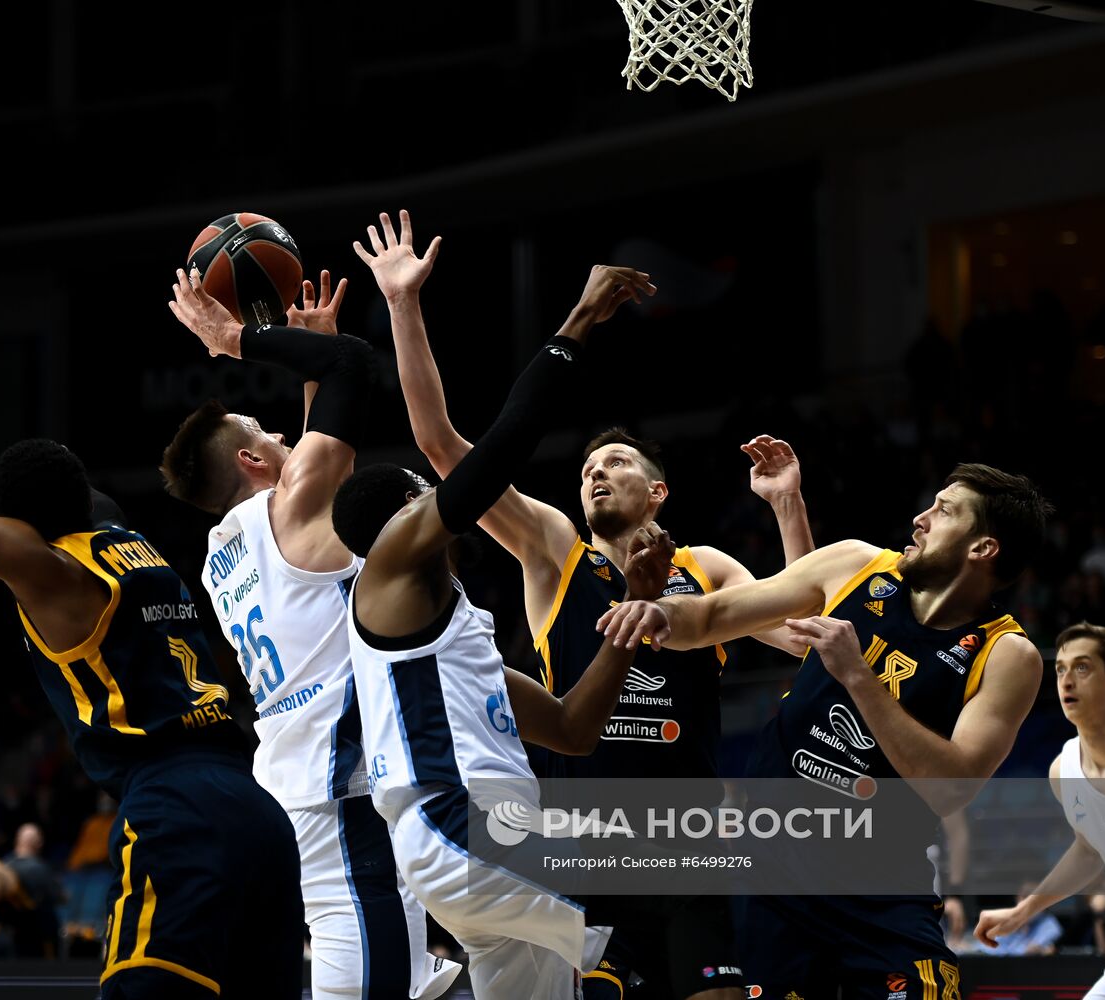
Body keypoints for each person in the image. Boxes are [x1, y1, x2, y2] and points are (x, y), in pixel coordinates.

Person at [354, 209, 815, 1000]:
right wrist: (404, 305)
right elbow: (441, 444)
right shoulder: (554, 552)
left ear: (657, 490)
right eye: (588, 467)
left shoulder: (703, 569)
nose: (596, 473)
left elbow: (811, 632)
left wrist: (786, 505)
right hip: (584, 845)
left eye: (617, 463)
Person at [0, 241, 303, 999]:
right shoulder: (129, 540)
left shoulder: (52, 572)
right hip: (258, 809)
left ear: (18, 529)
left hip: (175, 806)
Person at [331, 261, 670, 1000]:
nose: (442, 503)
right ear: (402, 520)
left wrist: (630, 620)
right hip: (462, 832)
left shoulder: (453, 644)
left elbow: (574, 729)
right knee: (636, 937)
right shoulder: (387, 568)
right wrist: (577, 321)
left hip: (475, 848)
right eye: (426, 497)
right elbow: (503, 446)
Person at [602, 463, 1051, 998]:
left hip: (881, 891)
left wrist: (858, 675)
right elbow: (711, 615)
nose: (921, 519)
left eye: (945, 511)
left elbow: (951, 788)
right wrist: (660, 615)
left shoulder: (1008, 653)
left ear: (982, 549)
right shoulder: (855, 564)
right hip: (770, 875)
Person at [161, 268, 460, 1000]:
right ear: (252, 462)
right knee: (376, 982)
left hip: (297, 773)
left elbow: (324, 471)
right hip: (342, 779)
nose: (287, 436)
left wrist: (310, 358)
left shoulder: (220, 552)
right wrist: (237, 339)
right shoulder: (290, 511)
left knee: (409, 967)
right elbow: (352, 369)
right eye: (267, 434)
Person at [976, 623, 1105, 997]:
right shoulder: (1063, 771)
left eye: (1082, 667)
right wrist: (1021, 913)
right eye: (1060, 669)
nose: (1066, 680)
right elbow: (1089, 849)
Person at [3, 824, 63, 959]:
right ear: (38, 843)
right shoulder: (40, 869)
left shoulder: (3, 865)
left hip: (9, 935)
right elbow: (58, 897)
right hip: (40, 938)